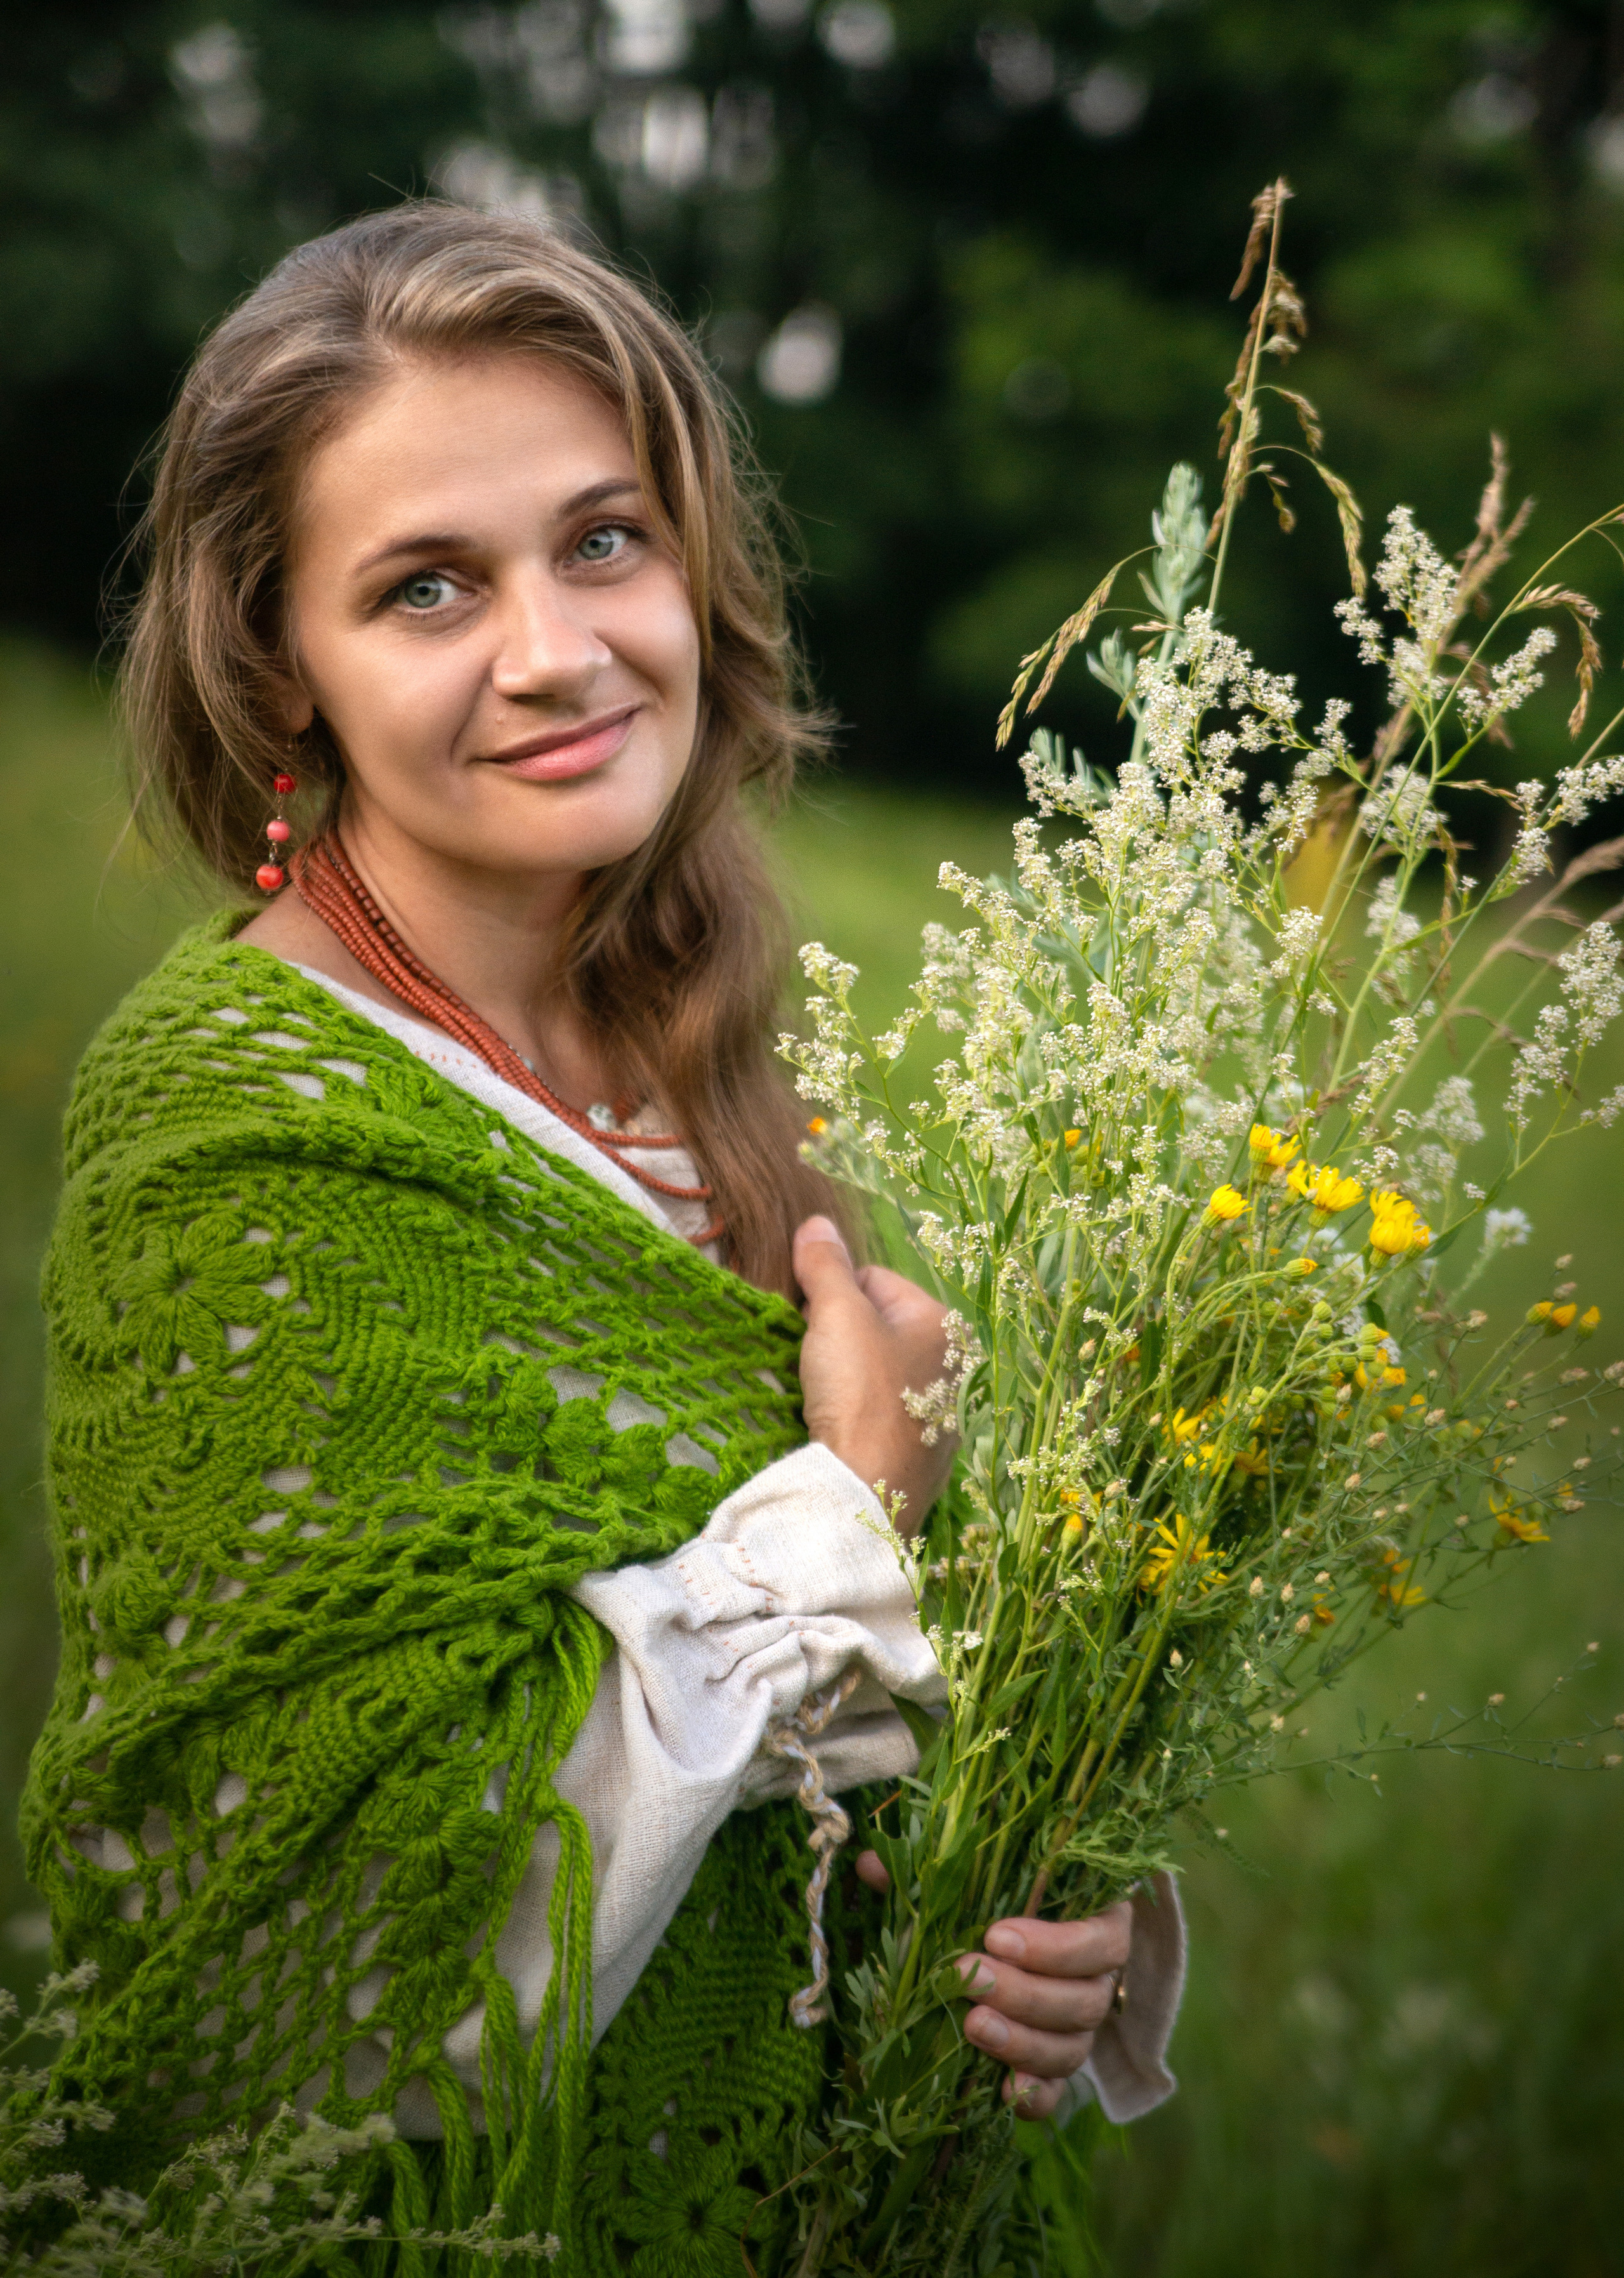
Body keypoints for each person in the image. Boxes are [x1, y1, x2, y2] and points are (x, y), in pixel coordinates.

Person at [22, 202, 1182, 2270]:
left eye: (604, 540)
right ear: (277, 656)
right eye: (427, 587)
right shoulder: (234, 1124)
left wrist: (1040, 1922)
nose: (555, 650)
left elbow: (877, 1741)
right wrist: (848, 1510)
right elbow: (334, 1976)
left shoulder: (711, 1053)